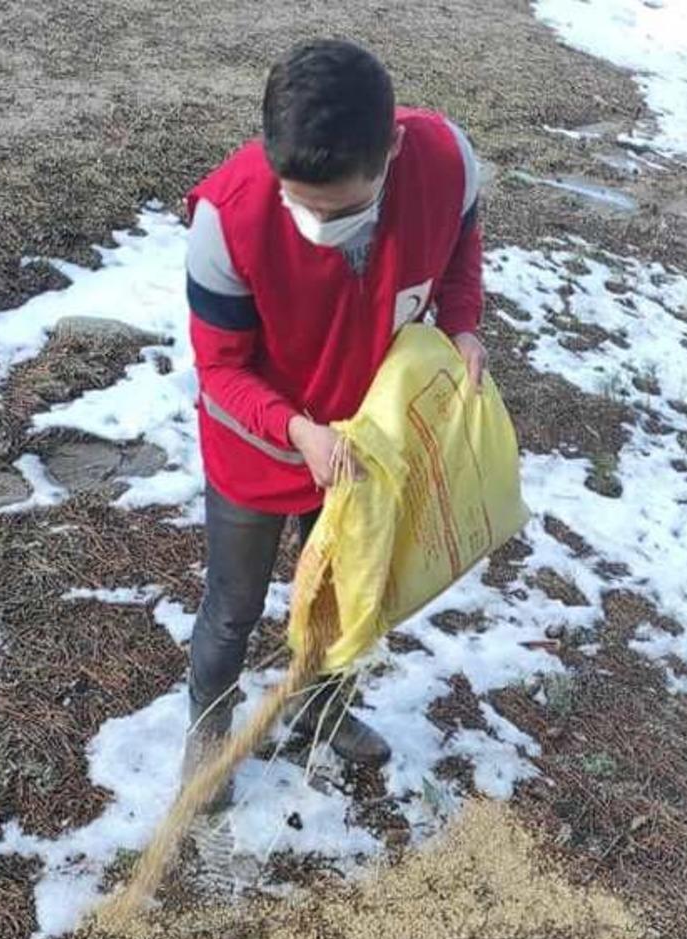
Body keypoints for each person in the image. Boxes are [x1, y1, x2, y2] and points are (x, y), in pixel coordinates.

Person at [183, 38, 486, 807]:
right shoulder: (227, 219)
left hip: (365, 435)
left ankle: (323, 708)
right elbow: (220, 369)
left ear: (393, 149)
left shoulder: (447, 162)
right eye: (302, 204)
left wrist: (462, 322)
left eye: (344, 209)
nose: (319, 223)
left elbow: (462, 240)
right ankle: (208, 735)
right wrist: (297, 432)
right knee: (232, 608)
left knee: (344, 595)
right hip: (257, 441)